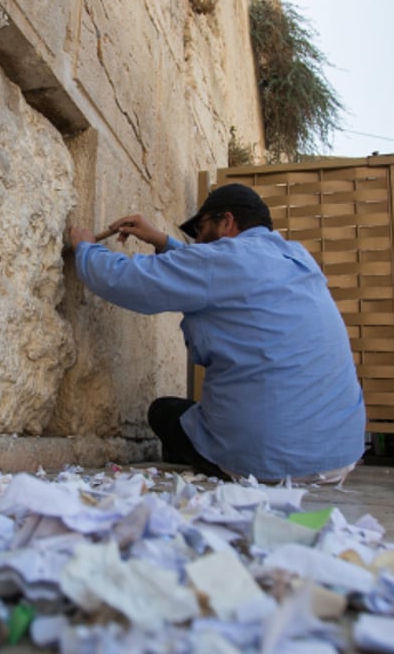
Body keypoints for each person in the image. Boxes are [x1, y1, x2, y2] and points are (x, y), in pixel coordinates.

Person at [67, 183, 365, 484]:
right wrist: (162, 240)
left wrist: (86, 248)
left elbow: (125, 280)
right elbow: (218, 271)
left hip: (268, 461)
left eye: (201, 227)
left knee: (164, 412)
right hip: (339, 458)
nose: (197, 239)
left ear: (227, 222)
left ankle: (224, 463)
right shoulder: (296, 258)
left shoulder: (223, 259)